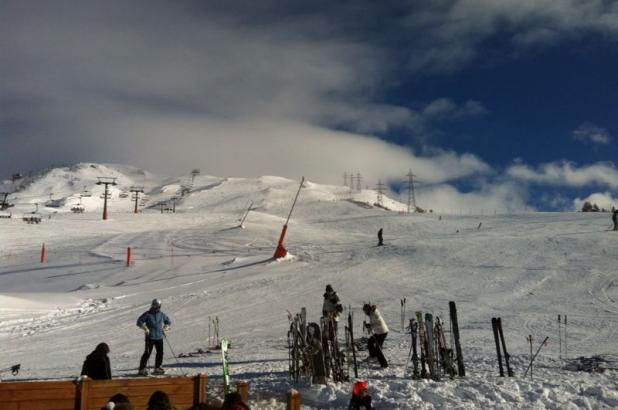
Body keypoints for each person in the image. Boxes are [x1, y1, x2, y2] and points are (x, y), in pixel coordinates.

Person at [137, 299, 171, 376]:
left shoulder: (161, 314)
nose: (158, 308)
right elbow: (139, 321)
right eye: (156, 306)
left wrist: (166, 326)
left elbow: (168, 321)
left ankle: (157, 368)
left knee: (160, 353)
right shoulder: (148, 314)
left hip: (159, 336)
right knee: (147, 353)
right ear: (153, 305)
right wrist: (145, 328)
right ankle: (142, 369)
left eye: (159, 306)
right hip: (150, 337)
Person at [362, 303, 389, 368]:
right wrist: (369, 325)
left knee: (378, 349)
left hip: (382, 332)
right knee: (370, 341)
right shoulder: (372, 313)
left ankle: (384, 364)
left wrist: (370, 325)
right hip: (378, 332)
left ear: (368, 309)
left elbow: (378, 324)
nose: (365, 313)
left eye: (365, 311)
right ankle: (373, 356)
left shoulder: (374, 314)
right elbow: (375, 324)